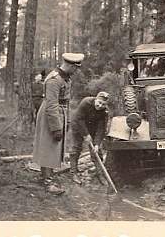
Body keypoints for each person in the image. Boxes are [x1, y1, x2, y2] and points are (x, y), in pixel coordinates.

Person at [32, 52, 84, 195]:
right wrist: (56, 128)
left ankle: (48, 175)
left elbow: (65, 102)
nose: (77, 71)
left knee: (54, 147)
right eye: (75, 68)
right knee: (48, 145)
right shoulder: (54, 80)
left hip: (60, 112)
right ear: (69, 65)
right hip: (51, 114)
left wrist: (66, 121)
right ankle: (47, 182)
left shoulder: (66, 79)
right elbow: (51, 105)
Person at [68, 91, 110, 185]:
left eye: (103, 104)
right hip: (78, 125)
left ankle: (100, 174)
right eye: (99, 103)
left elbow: (101, 129)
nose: (100, 106)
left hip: (92, 127)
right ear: (96, 99)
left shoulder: (104, 112)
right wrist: (86, 134)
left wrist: (97, 144)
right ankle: (73, 172)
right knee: (76, 147)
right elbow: (79, 119)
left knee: (96, 151)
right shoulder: (86, 102)